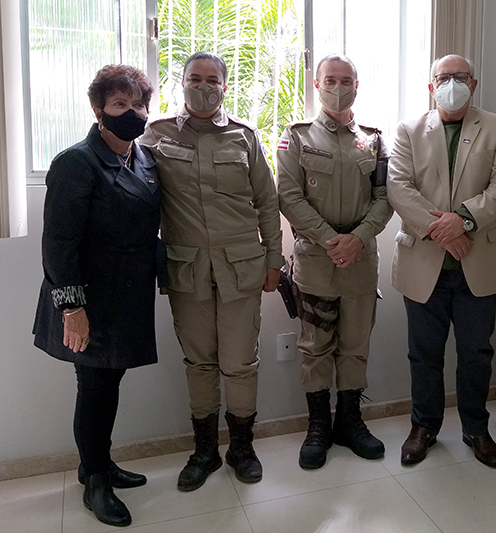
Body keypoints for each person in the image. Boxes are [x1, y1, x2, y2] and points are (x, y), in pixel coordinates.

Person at [139, 51, 282, 489]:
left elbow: (268, 202)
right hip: (187, 269)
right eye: (195, 79)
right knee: (199, 362)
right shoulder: (156, 134)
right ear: (181, 82)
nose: (203, 87)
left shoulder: (244, 136)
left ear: (225, 85)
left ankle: (242, 448)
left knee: (240, 363)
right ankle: (204, 451)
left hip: (241, 267)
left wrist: (274, 261)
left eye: (212, 80)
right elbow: (133, 191)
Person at [32, 65, 160, 527]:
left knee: (109, 384)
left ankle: (96, 464)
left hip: (128, 295)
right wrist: (72, 308)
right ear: (98, 110)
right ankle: (96, 484)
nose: (132, 113)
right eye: (120, 104)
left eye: (138, 104)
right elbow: (58, 244)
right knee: (95, 388)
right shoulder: (76, 162)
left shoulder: (145, 160)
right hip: (86, 299)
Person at [388, 54, 496, 467]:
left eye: (459, 76)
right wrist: (443, 232)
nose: (451, 83)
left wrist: (462, 221)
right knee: (424, 355)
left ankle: (475, 427)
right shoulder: (409, 130)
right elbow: (399, 188)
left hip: (477, 263)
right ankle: (424, 427)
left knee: (476, 354)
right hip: (423, 264)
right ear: (431, 86)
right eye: (443, 77)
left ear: (473, 84)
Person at [277, 54, 393, 469]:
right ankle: (318, 426)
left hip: (360, 259)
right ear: (317, 84)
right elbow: (288, 196)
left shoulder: (373, 140)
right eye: (330, 80)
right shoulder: (297, 137)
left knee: (355, 345)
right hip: (315, 260)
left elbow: (385, 197)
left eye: (346, 81)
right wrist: (332, 240)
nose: (338, 87)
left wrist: (357, 239)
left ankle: (349, 421)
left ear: (356, 86)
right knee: (315, 346)